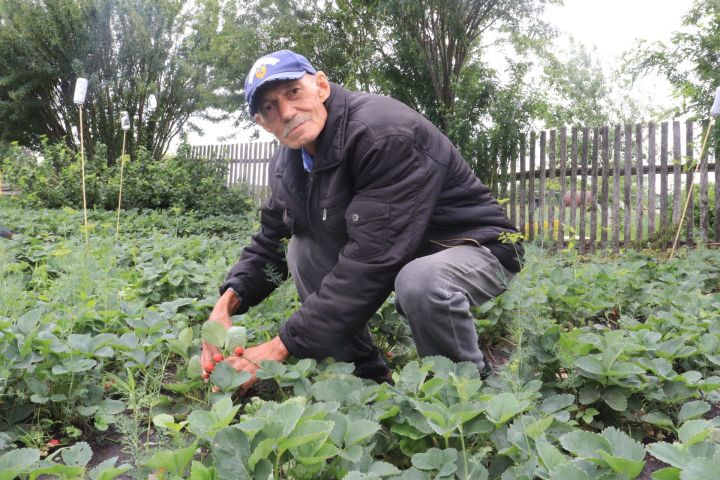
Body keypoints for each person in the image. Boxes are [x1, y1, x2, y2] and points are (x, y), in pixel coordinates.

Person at [200, 49, 522, 389]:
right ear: (262, 123)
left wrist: (280, 347)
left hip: (473, 245)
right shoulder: (287, 166)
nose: (287, 112)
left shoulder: (382, 132)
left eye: (293, 92)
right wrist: (225, 305)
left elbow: (373, 260)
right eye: (270, 107)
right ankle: (362, 379)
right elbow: (272, 241)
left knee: (421, 280)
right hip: (396, 248)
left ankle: (466, 388)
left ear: (321, 86)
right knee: (301, 249)